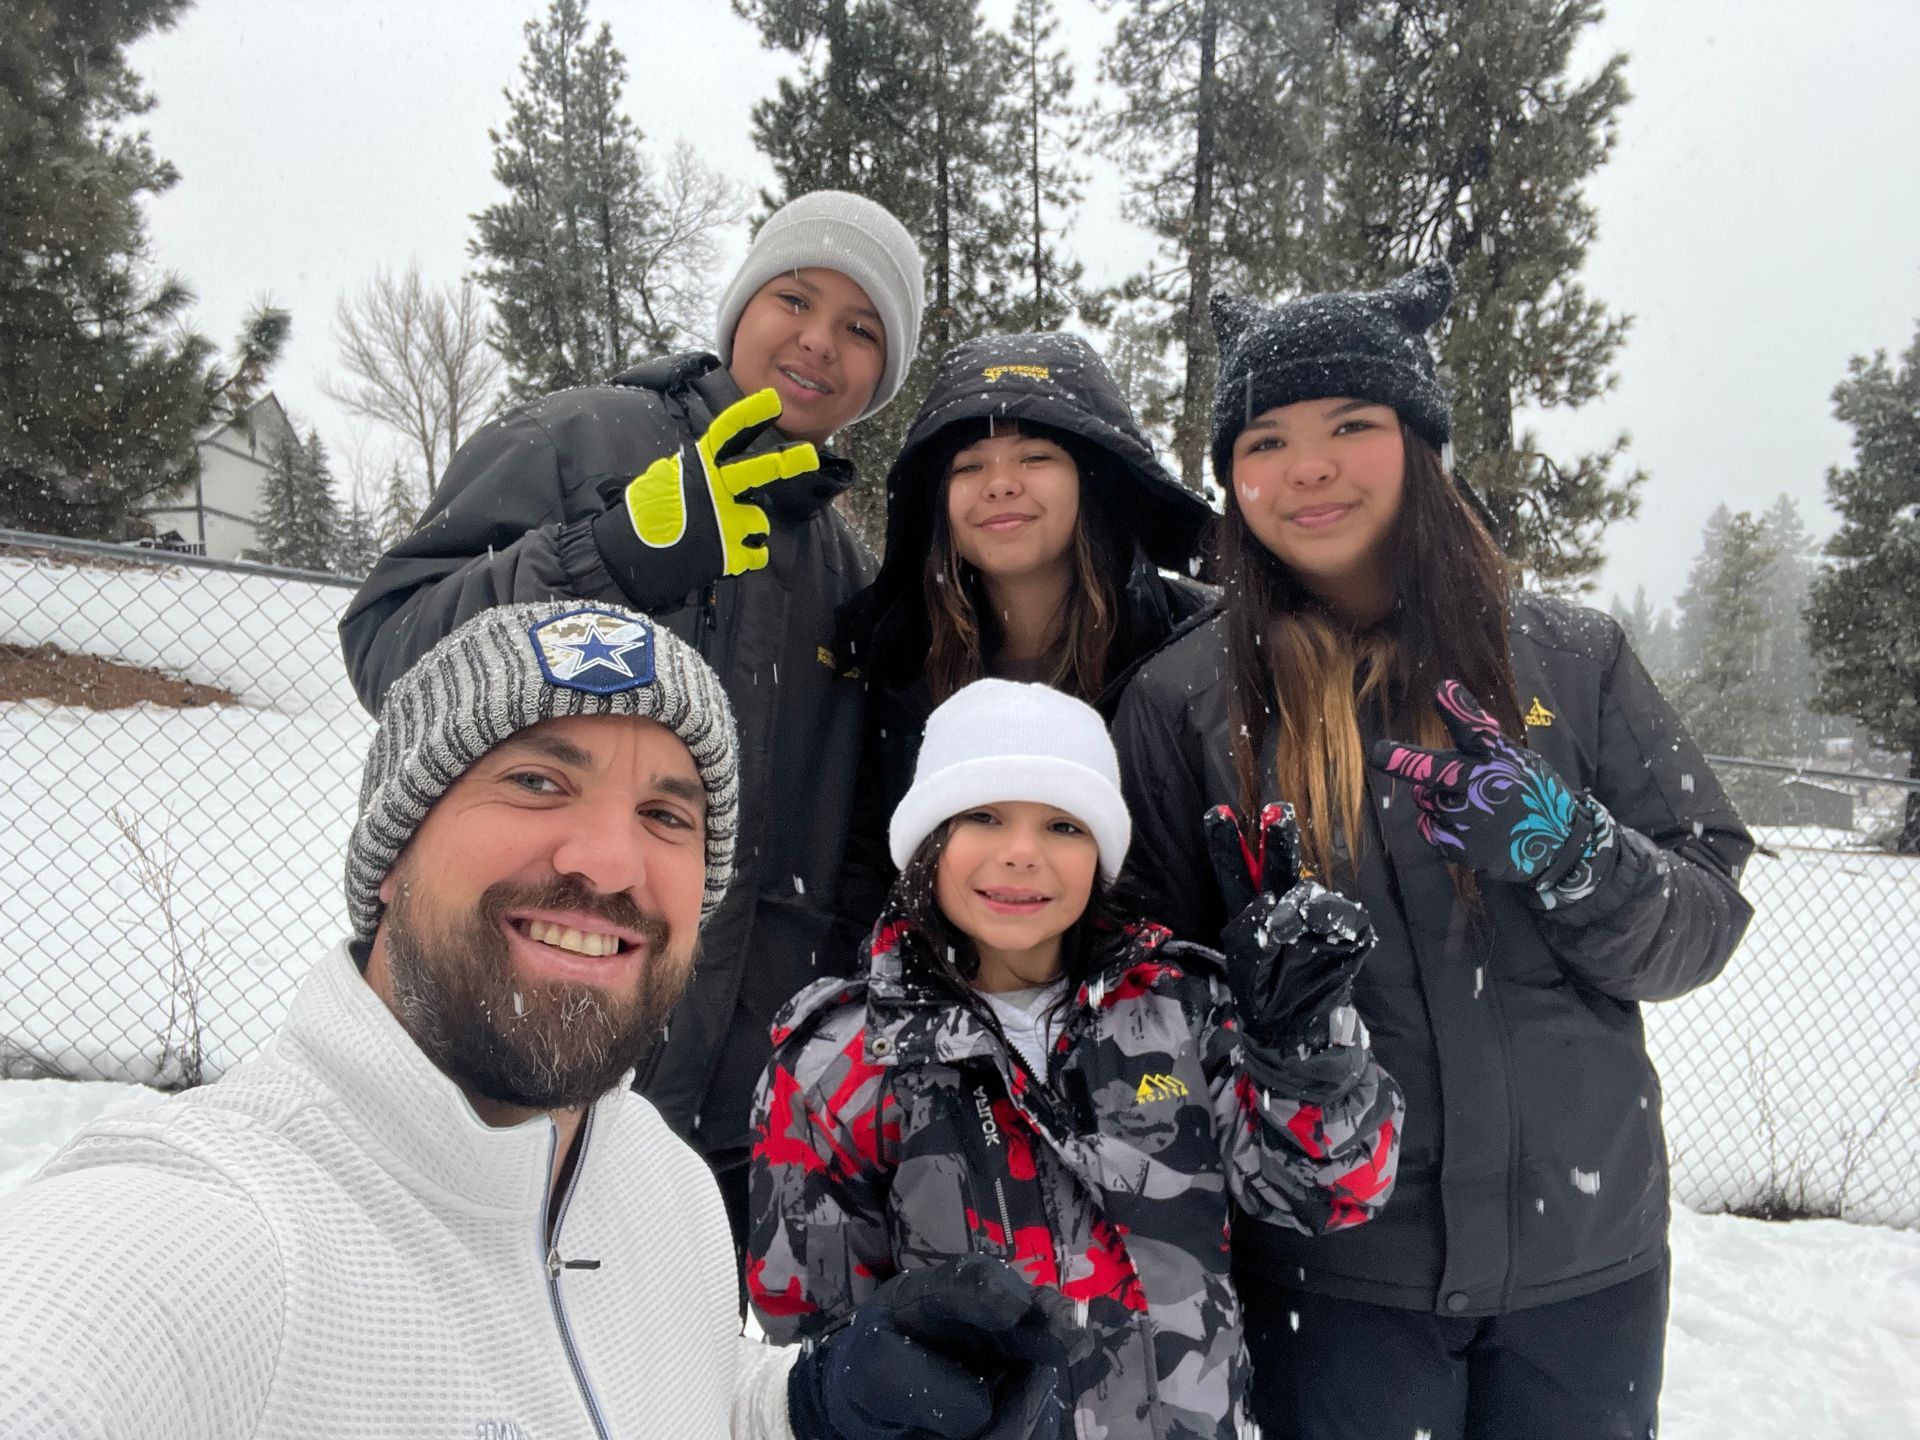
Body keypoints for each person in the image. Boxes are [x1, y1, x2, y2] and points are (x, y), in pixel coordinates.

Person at [0, 602, 1079, 1440]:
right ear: (391, 857)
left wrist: (808, 1406)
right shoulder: (217, 1230)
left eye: (665, 815)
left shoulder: (658, 1180)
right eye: (533, 779)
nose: (610, 862)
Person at [1111, 263, 1755, 1440]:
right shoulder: (1182, 702)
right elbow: (1136, 987)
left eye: (1350, 425)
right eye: (1267, 438)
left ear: (1419, 442)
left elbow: (1705, 911)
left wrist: (1580, 858)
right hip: (1334, 1283)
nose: (1308, 466)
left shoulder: (1569, 656)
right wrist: (1257, 1018)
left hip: (1586, 1270)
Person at [339, 192, 926, 1245]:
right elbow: (391, 648)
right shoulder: (585, 436)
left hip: (719, 1115)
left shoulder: (846, 569)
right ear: (742, 304)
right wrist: (603, 562)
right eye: (795, 297)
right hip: (501, 1049)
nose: (819, 342)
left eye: (862, 328)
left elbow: (830, 843)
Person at [751, 679, 1404, 1440]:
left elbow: (1335, 1191)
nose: (1022, 853)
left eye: (1063, 824)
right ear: (928, 840)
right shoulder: (841, 1060)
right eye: (984, 815)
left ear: (1100, 852)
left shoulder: (1183, 1009)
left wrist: (1302, 1048)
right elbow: (811, 1337)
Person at [833, 331, 1216, 945]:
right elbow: (864, 878)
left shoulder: (1196, 648)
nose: (1000, 484)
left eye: (1035, 457)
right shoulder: (890, 663)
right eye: (969, 465)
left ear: (1093, 479)